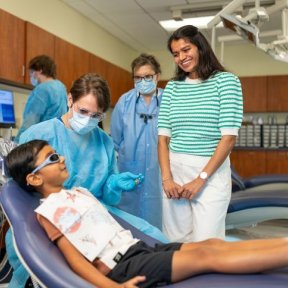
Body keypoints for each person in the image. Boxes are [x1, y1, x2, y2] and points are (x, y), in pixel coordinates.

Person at [6, 140, 288, 288]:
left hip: (137, 250)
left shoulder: (76, 193)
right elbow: (74, 259)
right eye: (52, 158)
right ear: (34, 179)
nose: (62, 158)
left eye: (58, 154)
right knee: (206, 257)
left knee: (211, 244)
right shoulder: (52, 210)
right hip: (121, 268)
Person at [6, 73, 166, 288]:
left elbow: (108, 196)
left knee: (154, 236)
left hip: (97, 210)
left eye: (96, 116)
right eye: (83, 111)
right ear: (70, 100)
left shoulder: (103, 141)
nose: (88, 120)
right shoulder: (40, 135)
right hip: (56, 216)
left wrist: (113, 183)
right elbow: (22, 190)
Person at [158, 25, 243, 242]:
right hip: (175, 172)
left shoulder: (226, 82)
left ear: (200, 47)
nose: (181, 57)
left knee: (208, 243)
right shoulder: (172, 88)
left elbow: (228, 138)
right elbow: (163, 139)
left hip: (210, 173)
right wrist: (167, 179)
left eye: (186, 50)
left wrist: (200, 179)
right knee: (176, 241)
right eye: (176, 54)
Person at [110, 53, 163, 229]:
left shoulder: (169, 101)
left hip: (161, 173)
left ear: (157, 76)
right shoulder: (124, 102)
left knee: (160, 224)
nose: (143, 81)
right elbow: (116, 141)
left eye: (148, 76)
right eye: (138, 77)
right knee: (130, 227)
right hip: (131, 172)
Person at [15, 55, 67, 142]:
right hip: (58, 141)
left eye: (31, 72)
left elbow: (30, 122)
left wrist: (17, 143)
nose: (30, 76)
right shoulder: (61, 87)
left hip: (41, 143)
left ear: (39, 70)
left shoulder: (42, 89)